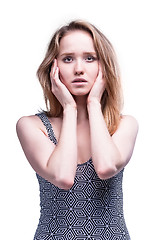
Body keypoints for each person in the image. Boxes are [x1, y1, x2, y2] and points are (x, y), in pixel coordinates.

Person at [16, 20, 138, 240]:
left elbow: (106, 167)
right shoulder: (31, 126)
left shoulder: (124, 125)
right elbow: (63, 177)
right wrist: (69, 108)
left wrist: (92, 104)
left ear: (104, 66)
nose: (79, 68)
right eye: (68, 59)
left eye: (90, 58)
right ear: (54, 67)